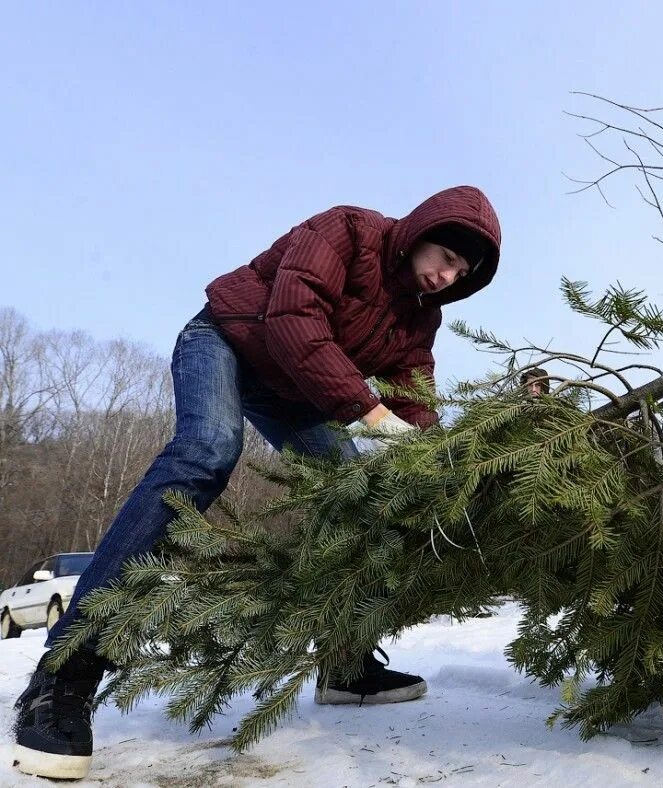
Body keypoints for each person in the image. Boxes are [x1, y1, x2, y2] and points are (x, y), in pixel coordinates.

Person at [12, 186, 502, 780]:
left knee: (357, 495)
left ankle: (346, 664)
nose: (447, 276)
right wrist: (372, 415)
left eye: (461, 272)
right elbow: (293, 318)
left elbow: (414, 387)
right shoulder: (347, 231)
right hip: (226, 341)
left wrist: (430, 454)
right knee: (207, 452)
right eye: (445, 257)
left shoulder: (421, 317)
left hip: (294, 393)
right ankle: (64, 673)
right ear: (420, 230)